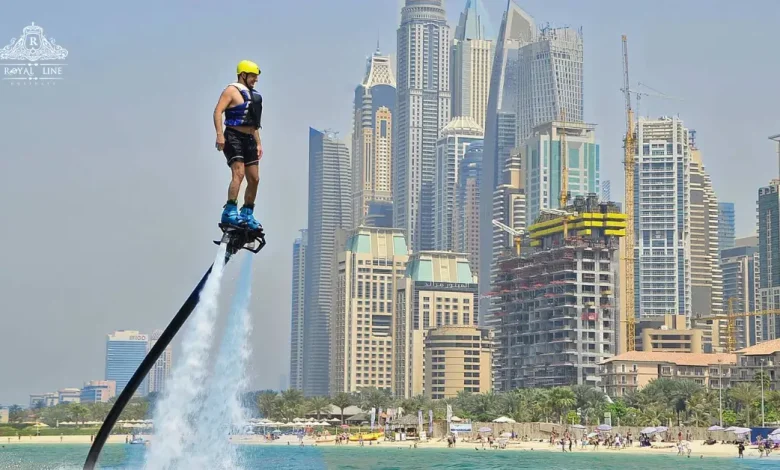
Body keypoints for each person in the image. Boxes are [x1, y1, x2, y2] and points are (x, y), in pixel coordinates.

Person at [213, 60, 264, 230]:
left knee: (254, 178)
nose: (255, 80)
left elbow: (253, 123)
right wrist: (220, 134)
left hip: (249, 138)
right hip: (233, 136)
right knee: (239, 173)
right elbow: (218, 111)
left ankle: (247, 213)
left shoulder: (254, 96)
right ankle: (229, 211)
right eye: (253, 76)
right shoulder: (231, 91)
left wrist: (258, 143)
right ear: (243, 75)